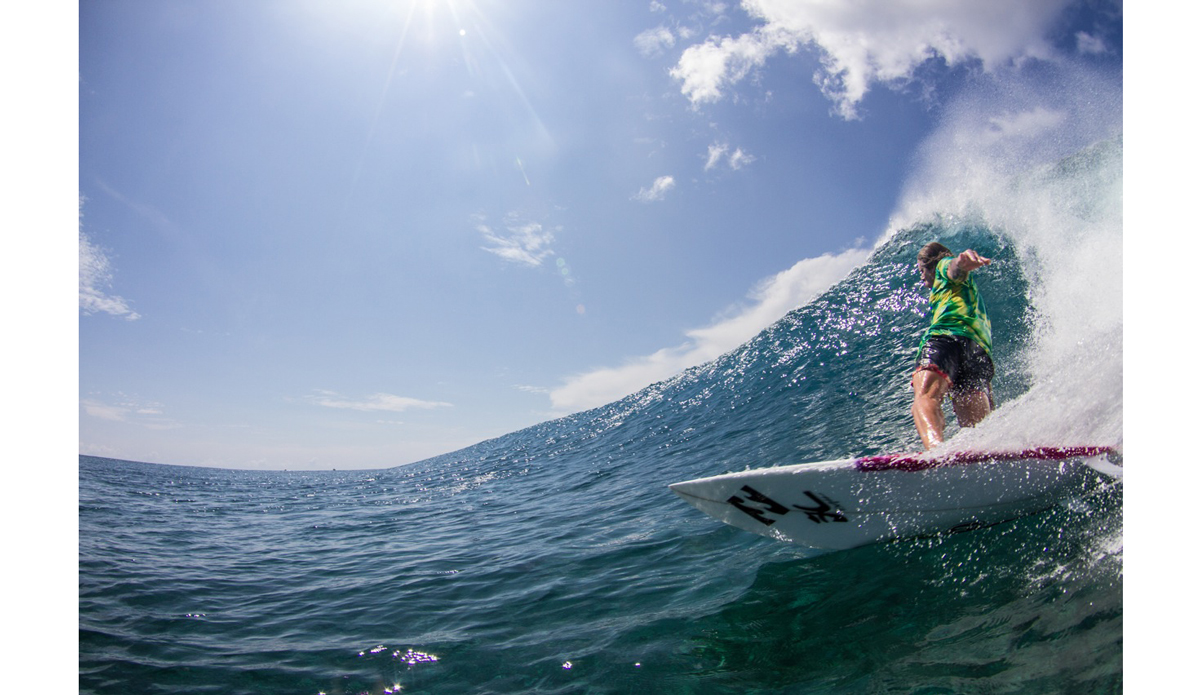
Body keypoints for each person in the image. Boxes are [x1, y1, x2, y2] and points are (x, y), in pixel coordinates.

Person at [911, 242, 994, 450]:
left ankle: (936, 453)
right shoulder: (969, 292)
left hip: (947, 338)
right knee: (976, 428)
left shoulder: (941, 267)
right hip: (978, 350)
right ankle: (980, 456)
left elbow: (953, 268)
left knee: (925, 397)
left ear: (930, 265)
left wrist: (961, 261)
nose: (921, 277)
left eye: (921, 270)